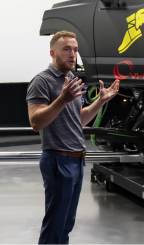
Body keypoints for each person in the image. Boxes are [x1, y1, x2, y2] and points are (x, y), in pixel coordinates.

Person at [26, 30, 120, 245]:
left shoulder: (72, 81)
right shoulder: (42, 81)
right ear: (53, 53)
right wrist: (62, 99)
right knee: (55, 225)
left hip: (77, 160)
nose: (72, 55)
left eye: (75, 50)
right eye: (66, 49)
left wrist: (100, 102)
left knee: (66, 224)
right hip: (58, 160)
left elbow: (77, 121)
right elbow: (36, 122)